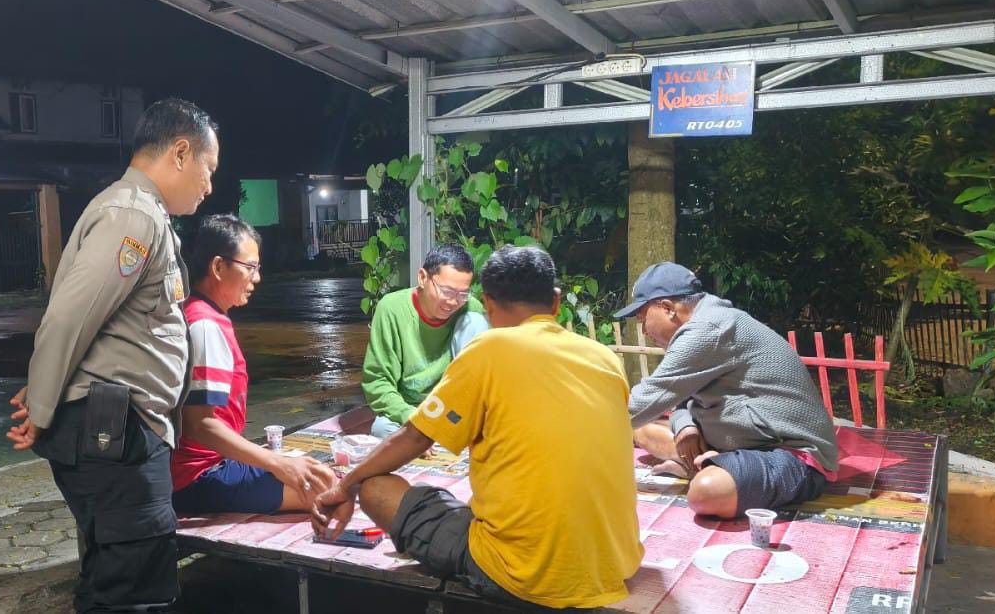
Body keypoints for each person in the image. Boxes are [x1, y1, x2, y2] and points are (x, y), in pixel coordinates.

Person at [313, 246, 642, 610]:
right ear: (555, 301)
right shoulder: (605, 358)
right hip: (615, 564)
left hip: (522, 572)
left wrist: (345, 485)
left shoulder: (488, 349)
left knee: (376, 488)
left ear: (486, 303)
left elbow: (416, 436)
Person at [6, 98, 218, 613]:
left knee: (114, 583)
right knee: (135, 590)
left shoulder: (141, 213)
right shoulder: (132, 215)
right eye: (208, 170)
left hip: (119, 432)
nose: (209, 186)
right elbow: (69, 317)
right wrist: (41, 407)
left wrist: (46, 390)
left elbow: (102, 327)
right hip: (117, 437)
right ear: (181, 153)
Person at [616, 262, 839, 519]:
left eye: (643, 319)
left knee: (706, 492)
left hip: (791, 453)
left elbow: (640, 404)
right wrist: (686, 425)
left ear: (667, 308)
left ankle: (709, 468)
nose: (644, 331)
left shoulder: (707, 329)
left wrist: (579, 433)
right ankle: (713, 462)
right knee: (641, 430)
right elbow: (680, 398)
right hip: (741, 438)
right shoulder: (708, 321)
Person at [170, 215, 334, 515]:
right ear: (218, 267)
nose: (257, 278)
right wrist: (277, 462)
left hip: (211, 465)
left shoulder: (203, 314)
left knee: (318, 474)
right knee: (327, 491)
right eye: (250, 267)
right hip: (199, 476)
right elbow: (200, 425)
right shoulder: (205, 325)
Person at [361, 243, 489, 437]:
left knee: (476, 320)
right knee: (382, 429)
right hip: (411, 408)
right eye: (446, 291)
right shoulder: (391, 309)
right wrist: (411, 416)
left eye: (462, 294)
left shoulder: (470, 308)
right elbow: (377, 380)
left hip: (454, 409)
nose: (453, 301)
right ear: (422, 278)